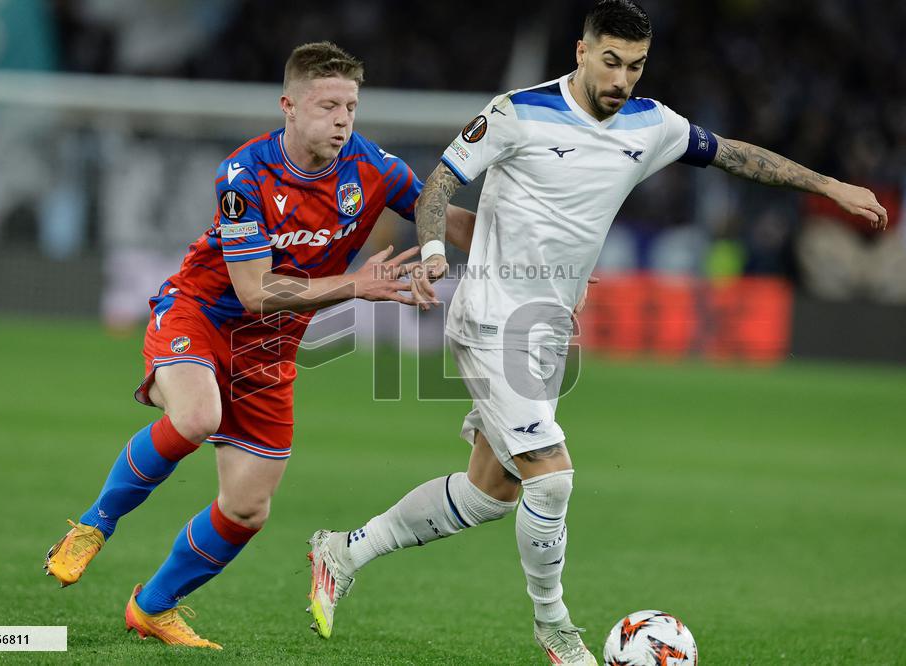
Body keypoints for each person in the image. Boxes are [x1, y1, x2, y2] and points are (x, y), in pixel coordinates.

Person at [305, 2, 888, 664]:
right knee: (552, 479)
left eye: (635, 66)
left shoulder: (652, 124)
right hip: (493, 315)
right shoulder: (518, 112)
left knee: (491, 491)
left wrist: (830, 184)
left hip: (548, 330)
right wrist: (436, 254)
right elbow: (441, 179)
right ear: (581, 53)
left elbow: (732, 155)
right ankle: (555, 629)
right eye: (610, 61)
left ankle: (343, 550)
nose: (621, 78)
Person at [43, 41, 475, 649]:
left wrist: (538, 247)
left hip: (270, 350)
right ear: (289, 107)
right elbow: (252, 292)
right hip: (203, 314)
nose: (343, 120)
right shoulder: (244, 176)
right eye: (328, 106)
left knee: (248, 510)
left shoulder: (373, 168)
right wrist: (357, 285)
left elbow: (447, 218)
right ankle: (95, 524)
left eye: (350, 106)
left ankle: (152, 607)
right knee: (196, 415)